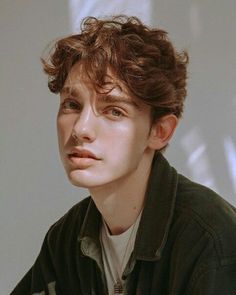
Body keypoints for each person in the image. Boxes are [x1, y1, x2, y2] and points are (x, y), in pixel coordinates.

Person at [11, 15, 236, 295]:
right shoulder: (67, 239)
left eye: (114, 111)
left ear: (160, 131)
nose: (81, 129)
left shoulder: (211, 238)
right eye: (72, 104)